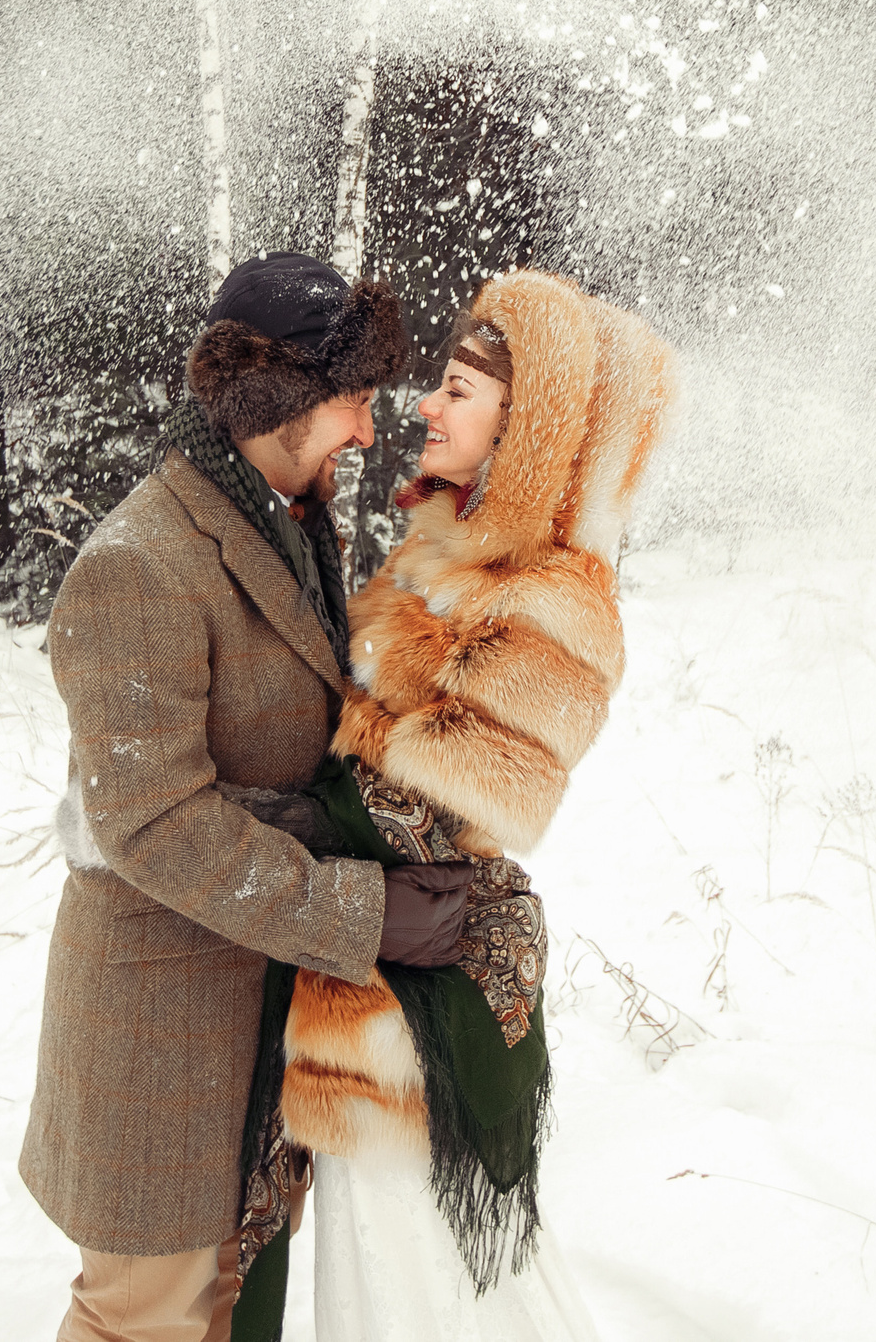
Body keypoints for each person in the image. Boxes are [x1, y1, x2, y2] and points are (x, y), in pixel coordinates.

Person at [21, 252, 479, 1342]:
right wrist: (362, 914)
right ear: (278, 400)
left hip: (257, 1020)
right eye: (353, 401)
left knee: (224, 1312)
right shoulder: (138, 564)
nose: (369, 432)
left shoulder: (281, 520)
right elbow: (150, 822)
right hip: (163, 1032)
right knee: (148, 1319)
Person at [249, 269, 678, 1342]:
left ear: (520, 427)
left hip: (419, 1024)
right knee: (391, 1290)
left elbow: (435, 813)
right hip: (370, 996)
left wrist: (242, 816)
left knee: (428, 1296)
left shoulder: (555, 600)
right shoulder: (435, 558)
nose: (426, 409)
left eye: (455, 390)